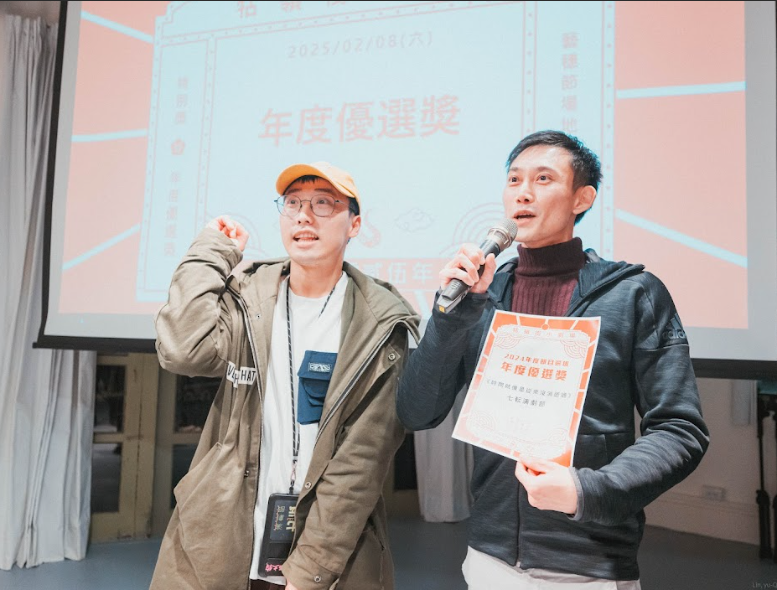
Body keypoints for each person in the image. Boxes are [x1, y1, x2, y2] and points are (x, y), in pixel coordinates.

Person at [396, 130, 709, 589]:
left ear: (583, 198)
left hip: (588, 564)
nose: (523, 193)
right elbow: (416, 412)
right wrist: (450, 319)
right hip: (487, 556)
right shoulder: (484, 295)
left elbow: (680, 430)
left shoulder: (632, 294)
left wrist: (587, 490)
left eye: (543, 179)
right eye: (514, 180)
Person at [150, 161, 420, 590]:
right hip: (220, 540)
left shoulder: (379, 323)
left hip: (328, 555)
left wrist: (312, 568)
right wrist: (210, 254)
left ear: (355, 224)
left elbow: (360, 464)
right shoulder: (248, 296)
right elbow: (183, 350)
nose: (303, 216)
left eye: (323, 204)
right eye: (292, 203)